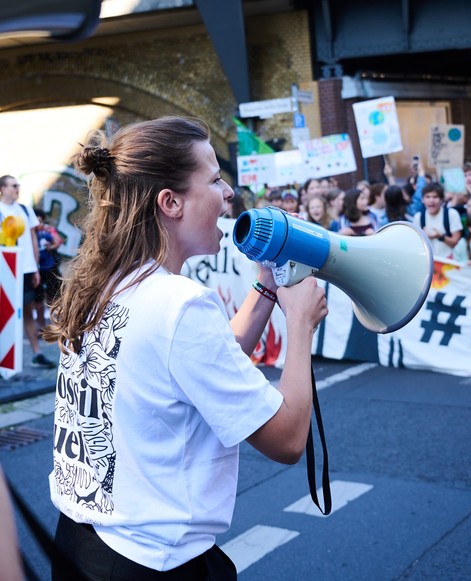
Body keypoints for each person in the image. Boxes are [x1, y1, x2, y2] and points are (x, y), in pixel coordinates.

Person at [44, 116, 328, 579]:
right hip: (155, 562)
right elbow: (287, 440)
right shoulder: (179, 303)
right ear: (171, 202)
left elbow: (199, 364)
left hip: (82, 544)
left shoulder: (105, 283)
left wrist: (267, 290)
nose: (228, 193)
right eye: (215, 179)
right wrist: (300, 323)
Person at [0, 175, 55, 367]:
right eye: (14, 186)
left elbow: (33, 239)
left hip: (25, 269)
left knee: (27, 311)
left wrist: (36, 268)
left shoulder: (24, 210)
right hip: (3, 270)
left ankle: (37, 353)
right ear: (2, 188)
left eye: (18, 185)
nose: (17, 188)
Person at [413, 182, 463, 259]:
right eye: (428, 197)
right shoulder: (418, 217)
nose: (431, 200)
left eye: (435, 197)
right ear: (422, 200)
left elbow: (455, 243)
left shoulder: (451, 214)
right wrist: (423, 237)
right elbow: (416, 246)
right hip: (428, 261)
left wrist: (440, 236)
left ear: (441, 199)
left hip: (448, 261)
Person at [34, 208, 64, 332]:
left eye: (39, 221)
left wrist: (50, 246)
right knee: (38, 302)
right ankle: (41, 328)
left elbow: (57, 241)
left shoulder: (47, 230)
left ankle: (57, 326)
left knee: (54, 298)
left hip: (50, 268)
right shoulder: (29, 233)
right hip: (37, 270)